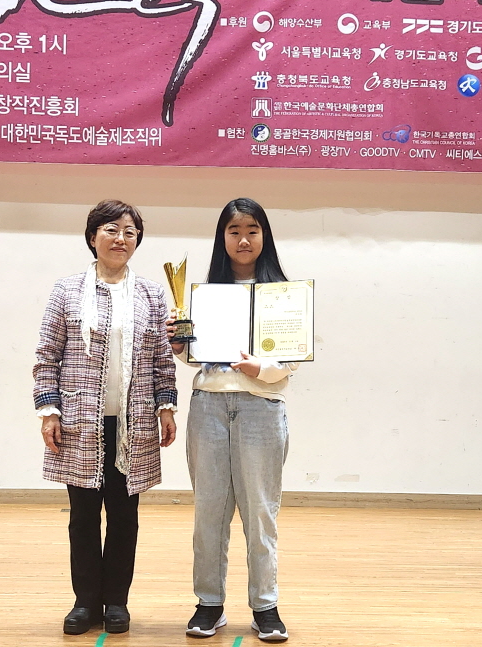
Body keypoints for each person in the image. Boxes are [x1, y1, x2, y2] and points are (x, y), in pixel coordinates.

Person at [33, 199, 178, 636]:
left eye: (130, 232)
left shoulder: (152, 293)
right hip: (80, 423)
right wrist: (48, 411)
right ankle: (85, 602)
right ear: (93, 236)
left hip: (132, 425)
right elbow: (47, 355)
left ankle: (116, 601)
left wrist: (166, 406)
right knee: (82, 518)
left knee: (124, 517)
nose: (121, 239)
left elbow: (161, 359)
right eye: (112, 230)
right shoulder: (67, 291)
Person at [169, 198, 297, 642]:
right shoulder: (205, 293)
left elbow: (291, 362)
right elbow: (195, 359)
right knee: (209, 510)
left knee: (260, 512)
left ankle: (266, 606)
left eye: (252, 230)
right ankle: (209, 604)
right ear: (222, 237)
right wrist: (180, 344)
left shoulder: (284, 295)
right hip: (208, 407)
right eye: (234, 231)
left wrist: (259, 369)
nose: (243, 240)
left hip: (261, 408)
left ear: (265, 236)